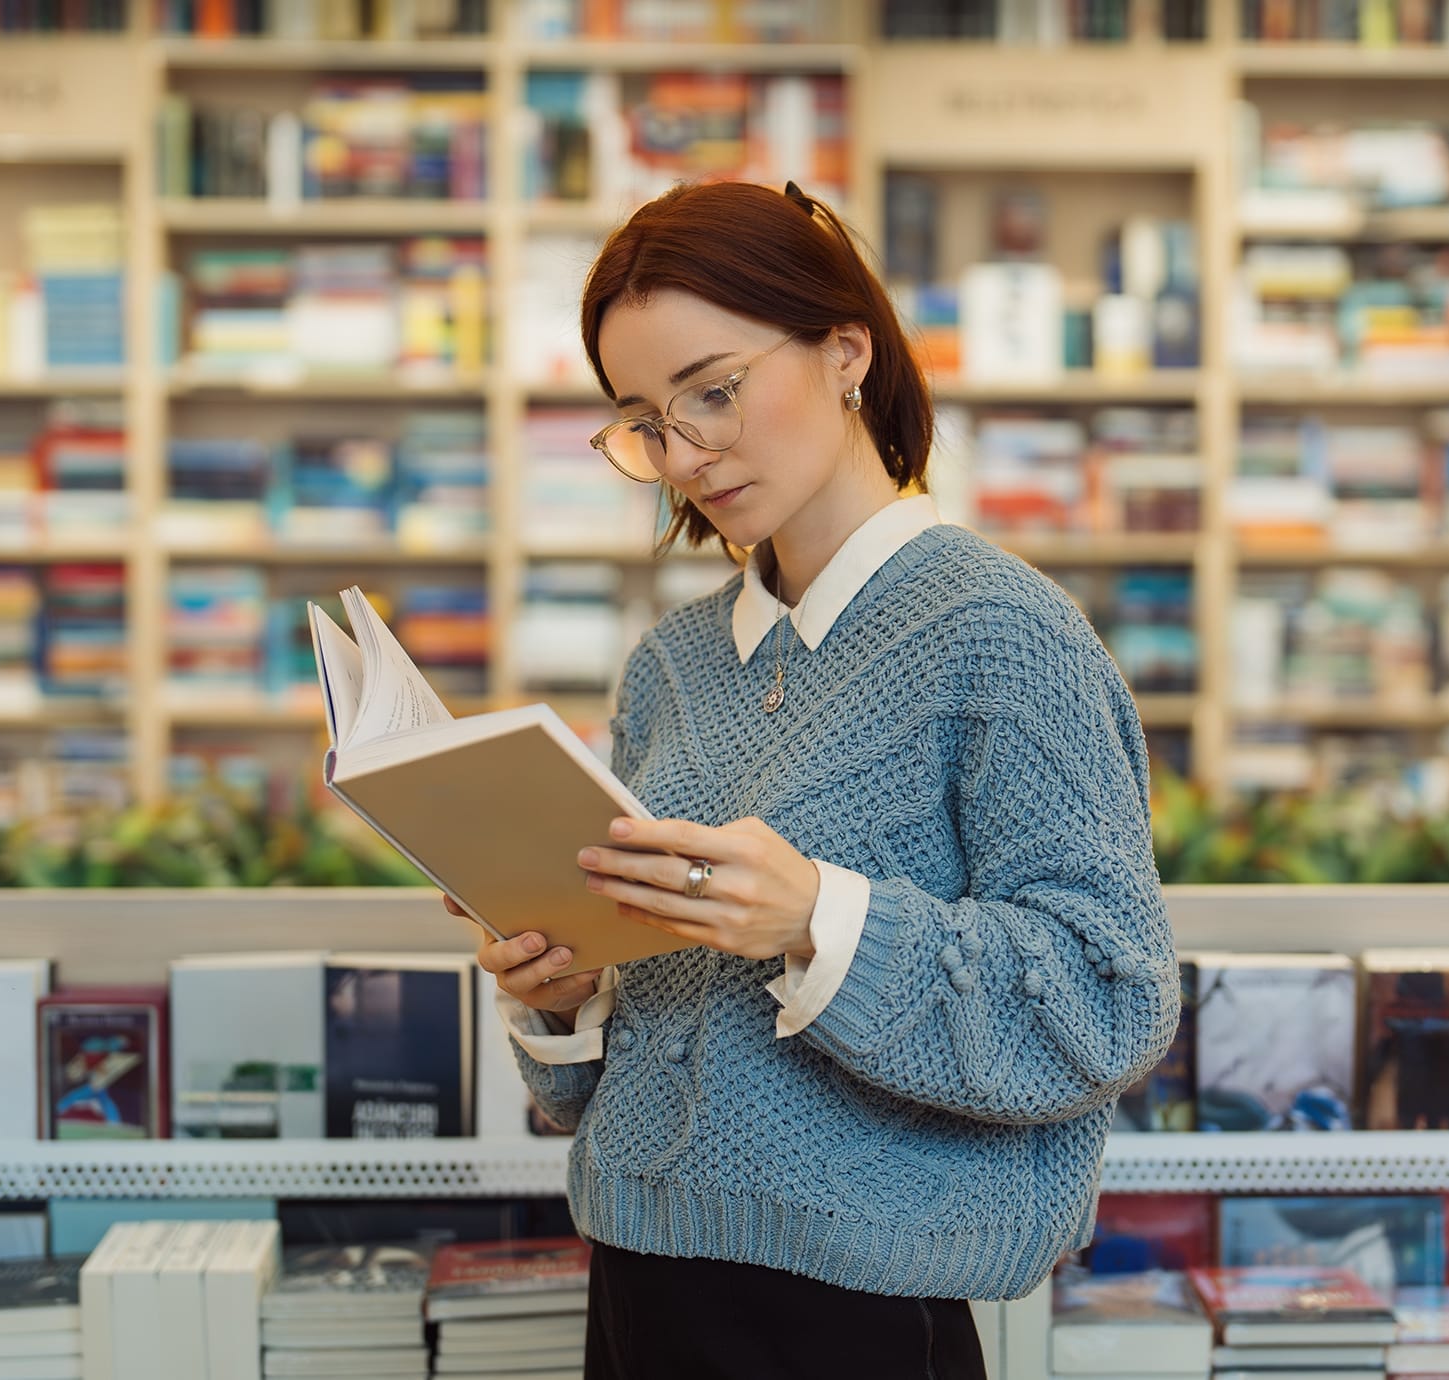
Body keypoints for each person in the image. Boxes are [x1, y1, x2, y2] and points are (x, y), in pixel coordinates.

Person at [456, 178, 1179, 1379]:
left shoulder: (1000, 633)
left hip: (860, 1313)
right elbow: (603, 1092)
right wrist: (563, 990)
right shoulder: (672, 667)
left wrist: (815, 920)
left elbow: (1109, 999)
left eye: (716, 392)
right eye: (645, 418)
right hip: (638, 1291)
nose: (685, 453)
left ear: (847, 352)